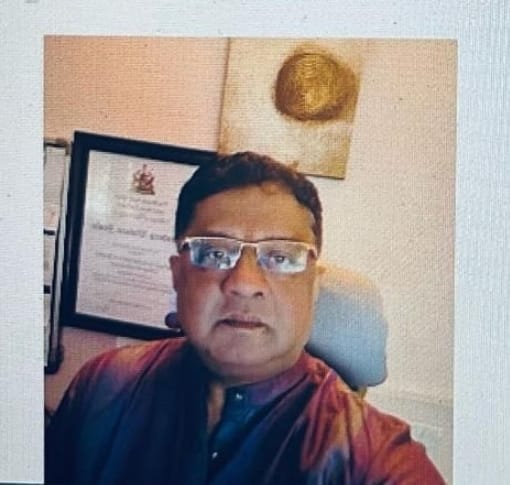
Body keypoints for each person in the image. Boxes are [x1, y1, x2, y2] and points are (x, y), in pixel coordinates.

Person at [45, 152, 445, 484]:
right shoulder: (104, 385)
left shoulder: (375, 460)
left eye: (281, 256)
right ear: (178, 275)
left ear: (313, 285)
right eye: (215, 253)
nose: (244, 283)